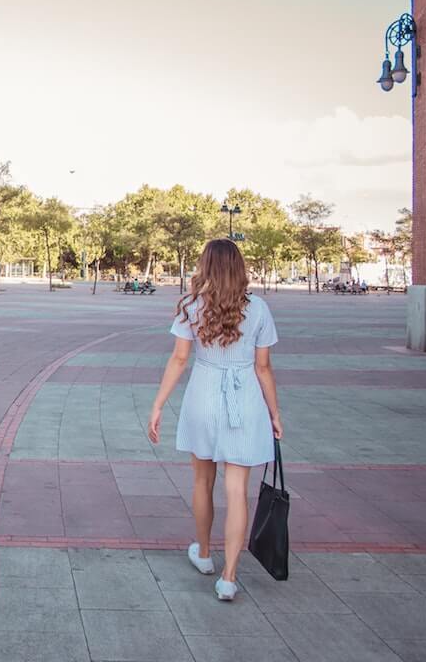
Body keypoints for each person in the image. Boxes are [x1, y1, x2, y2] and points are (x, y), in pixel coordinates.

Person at [146, 238, 282, 602]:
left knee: (202, 480)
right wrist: (274, 413)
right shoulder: (259, 309)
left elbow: (178, 359)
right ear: (239, 268)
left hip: (203, 395)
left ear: (205, 266)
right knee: (237, 490)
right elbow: (263, 367)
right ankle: (229, 577)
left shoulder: (191, 306)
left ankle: (204, 554)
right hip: (245, 399)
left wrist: (158, 404)